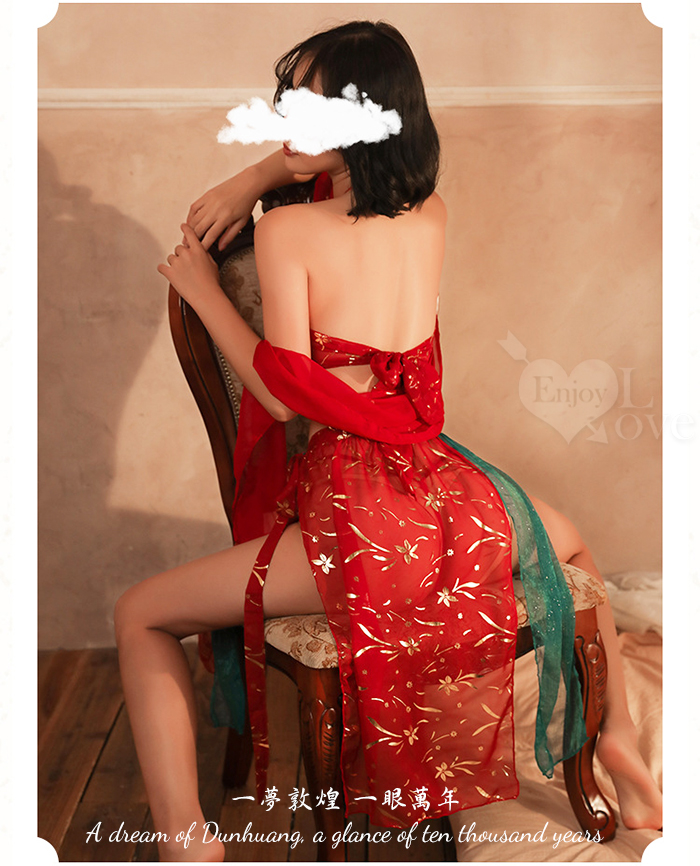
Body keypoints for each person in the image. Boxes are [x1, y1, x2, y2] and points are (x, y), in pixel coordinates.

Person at [115, 20, 662, 863]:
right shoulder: (429, 212)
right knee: (573, 547)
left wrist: (204, 290)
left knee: (139, 613)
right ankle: (618, 737)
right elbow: (346, 169)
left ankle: (187, 841)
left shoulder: (290, 234)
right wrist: (263, 169)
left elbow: (281, 391)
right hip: (449, 490)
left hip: (361, 511)